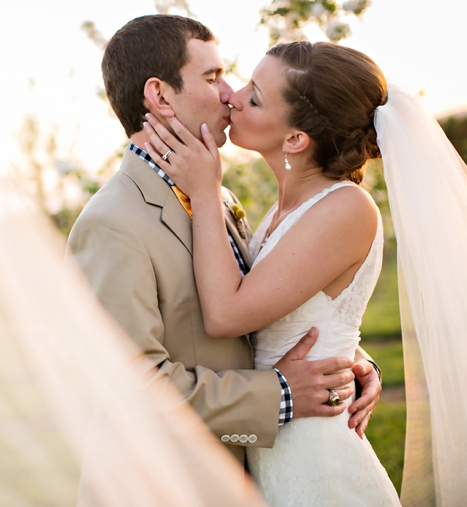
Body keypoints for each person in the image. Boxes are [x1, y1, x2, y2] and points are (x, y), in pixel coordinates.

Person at [66, 14, 382, 471]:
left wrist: (347, 362)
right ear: (159, 95)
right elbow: (130, 389)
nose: (229, 93)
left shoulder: (216, 196)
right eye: (213, 77)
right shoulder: (112, 222)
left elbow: (270, 305)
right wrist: (283, 395)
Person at [142, 41, 403, 504]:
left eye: (255, 96)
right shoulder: (286, 209)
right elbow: (309, 313)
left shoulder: (347, 207)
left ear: (295, 140)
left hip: (317, 462)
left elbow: (226, 314)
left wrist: (204, 191)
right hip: (271, 443)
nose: (232, 97)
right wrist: (356, 360)